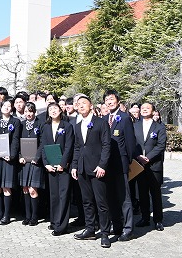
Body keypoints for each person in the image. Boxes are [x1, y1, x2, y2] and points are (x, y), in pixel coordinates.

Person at [71, 95, 112, 248]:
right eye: (79, 104)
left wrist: (102, 165)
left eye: (84, 103)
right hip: (82, 168)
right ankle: (90, 229)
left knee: (101, 202)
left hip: (97, 168)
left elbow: (107, 145)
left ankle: (105, 233)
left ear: (91, 106)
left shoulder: (101, 123)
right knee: (87, 201)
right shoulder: (77, 125)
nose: (81, 106)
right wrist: (74, 166)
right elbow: (77, 147)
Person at [103, 89, 137, 242]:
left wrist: (127, 161)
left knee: (124, 197)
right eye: (106, 100)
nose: (109, 102)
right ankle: (116, 225)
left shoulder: (125, 118)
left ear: (117, 100)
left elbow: (130, 143)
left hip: (120, 164)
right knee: (110, 197)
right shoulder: (104, 118)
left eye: (111, 99)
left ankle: (128, 229)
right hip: (107, 165)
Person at [40, 102, 74, 236]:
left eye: (55, 108)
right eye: (50, 109)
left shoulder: (67, 126)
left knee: (63, 195)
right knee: (54, 195)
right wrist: (46, 164)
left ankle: (62, 226)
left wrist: (63, 163)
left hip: (63, 167)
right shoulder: (46, 127)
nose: (53, 111)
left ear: (61, 110)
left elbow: (69, 146)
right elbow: (43, 146)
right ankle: (54, 221)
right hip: (51, 167)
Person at [134, 102, 167, 231]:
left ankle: (158, 220)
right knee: (142, 193)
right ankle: (145, 218)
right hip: (139, 164)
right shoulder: (135, 125)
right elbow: (131, 143)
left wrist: (149, 157)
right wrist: (138, 156)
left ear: (153, 111)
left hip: (154, 165)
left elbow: (161, 145)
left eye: (147, 108)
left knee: (156, 193)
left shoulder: (159, 127)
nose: (144, 110)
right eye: (142, 108)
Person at [0, 99, 21, 225]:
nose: (6, 107)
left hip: (8, 160)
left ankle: (7, 215)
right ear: (0, 108)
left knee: (6, 188)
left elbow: (15, 140)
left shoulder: (16, 121)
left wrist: (12, 155)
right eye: (4, 105)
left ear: (12, 108)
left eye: (9, 106)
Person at [18, 102, 44, 226]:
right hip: (24, 162)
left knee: (33, 189)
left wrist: (37, 157)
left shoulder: (40, 124)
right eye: (26, 111)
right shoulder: (21, 125)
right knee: (25, 189)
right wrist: (20, 156)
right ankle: (27, 216)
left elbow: (43, 142)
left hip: (35, 162)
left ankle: (34, 216)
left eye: (30, 111)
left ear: (35, 112)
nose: (28, 114)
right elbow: (17, 142)